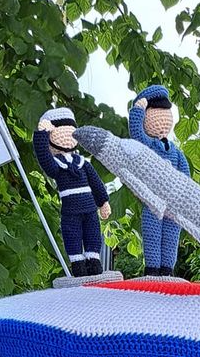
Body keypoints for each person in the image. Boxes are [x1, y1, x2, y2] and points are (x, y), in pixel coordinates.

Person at [33, 107, 111, 276]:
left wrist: (103, 201)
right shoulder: (56, 166)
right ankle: (78, 265)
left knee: (93, 235)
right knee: (72, 236)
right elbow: (44, 160)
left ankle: (94, 262)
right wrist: (41, 135)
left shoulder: (83, 162)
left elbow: (96, 182)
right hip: (70, 210)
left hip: (90, 208)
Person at [128, 85, 190, 276]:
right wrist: (138, 110)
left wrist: (184, 193)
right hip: (153, 200)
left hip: (173, 202)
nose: (162, 121)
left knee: (172, 235)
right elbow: (136, 133)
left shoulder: (174, 151)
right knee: (152, 235)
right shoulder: (147, 145)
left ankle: (167, 271)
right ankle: (153, 270)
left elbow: (184, 172)